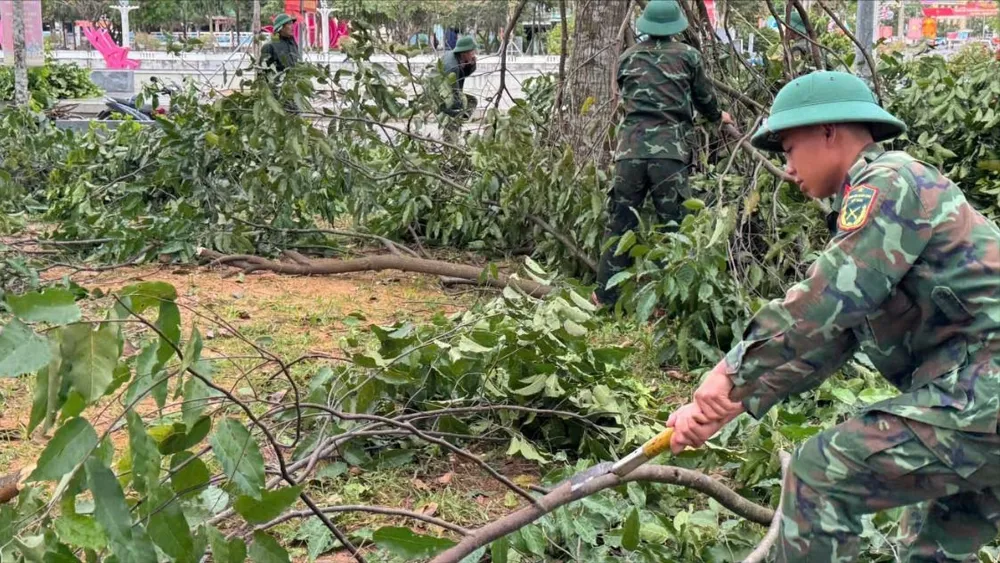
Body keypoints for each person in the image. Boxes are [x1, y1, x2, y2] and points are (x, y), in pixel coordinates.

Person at [667, 70, 1000, 561]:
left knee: (817, 475)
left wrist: (730, 369)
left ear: (828, 131)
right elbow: (835, 336)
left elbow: (824, 303)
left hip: (983, 397)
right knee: (932, 549)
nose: (789, 168)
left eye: (789, 149)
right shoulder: (878, 207)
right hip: (976, 401)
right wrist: (735, 400)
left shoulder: (889, 182)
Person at [592, 0, 731, 307]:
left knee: (621, 221)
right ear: (675, 27)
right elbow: (704, 98)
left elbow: (623, 94)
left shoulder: (627, 57)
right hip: (669, 154)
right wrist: (718, 117)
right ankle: (672, 300)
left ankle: (604, 296)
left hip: (629, 153)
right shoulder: (688, 56)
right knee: (675, 226)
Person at [437, 36, 478, 120]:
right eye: (472, 52)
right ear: (464, 53)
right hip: (443, 98)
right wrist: (460, 108)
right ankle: (456, 124)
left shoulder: (454, 56)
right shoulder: (453, 68)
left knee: (470, 101)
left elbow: (462, 75)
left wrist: (471, 65)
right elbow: (454, 92)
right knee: (471, 101)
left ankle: (459, 121)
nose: (474, 55)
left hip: (446, 94)